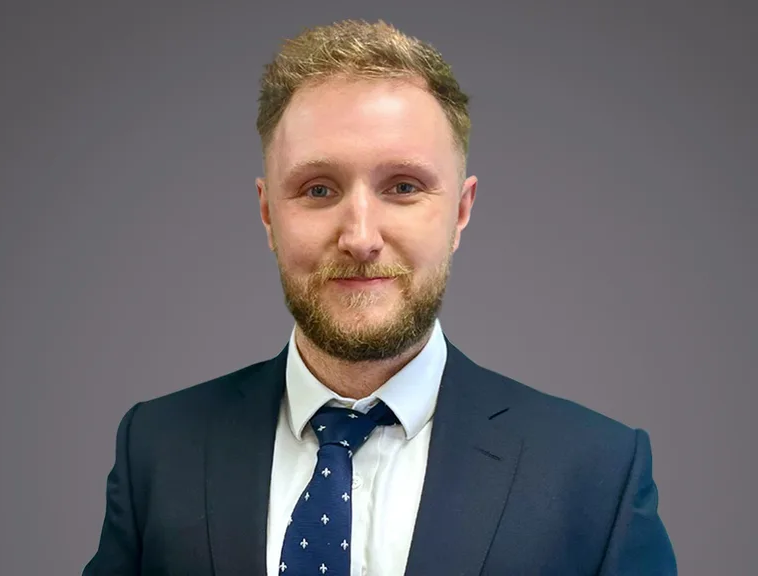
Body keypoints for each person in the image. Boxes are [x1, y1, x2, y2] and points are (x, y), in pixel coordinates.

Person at [83, 19, 676, 575]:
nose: (361, 238)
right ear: (268, 213)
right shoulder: (156, 450)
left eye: (403, 187)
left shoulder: (597, 474)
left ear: (461, 211)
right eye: (318, 189)